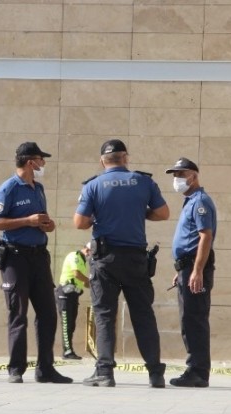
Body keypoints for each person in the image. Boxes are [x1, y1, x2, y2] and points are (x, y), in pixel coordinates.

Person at [74, 139, 170, 388]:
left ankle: (104, 372)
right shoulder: (144, 182)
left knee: (105, 315)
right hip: (136, 258)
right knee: (143, 315)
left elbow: (80, 223)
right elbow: (163, 213)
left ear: (102, 161)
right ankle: (155, 373)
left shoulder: (93, 186)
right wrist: (139, 212)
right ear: (125, 158)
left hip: (105, 259)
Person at [0, 141, 72, 385]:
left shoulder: (38, 188)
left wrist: (48, 224)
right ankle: (16, 368)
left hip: (38, 256)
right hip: (15, 257)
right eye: (40, 159)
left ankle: (46, 369)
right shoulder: (8, 188)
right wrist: (27, 220)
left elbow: (42, 220)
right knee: (18, 312)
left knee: (48, 312)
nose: (43, 164)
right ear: (30, 162)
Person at [167, 157, 217, 388]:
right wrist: (183, 270)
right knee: (188, 318)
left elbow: (205, 237)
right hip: (187, 267)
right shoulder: (189, 202)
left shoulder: (200, 202)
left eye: (181, 174)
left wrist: (196, 270)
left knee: (194, 318)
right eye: (175, 175)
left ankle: (197, 371)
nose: (177, 179)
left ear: (193, 176)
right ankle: (195, 368)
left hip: (195, 267)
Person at [56, 242, 91, 360]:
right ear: (87, 249)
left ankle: (69, 350)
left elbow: (83, 282)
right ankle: (67, 351)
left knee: (71, 324)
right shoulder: (75, 256)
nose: (90, 255)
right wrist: (89, 281)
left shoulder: (83, 261)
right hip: (65, 294)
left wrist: (92, 284)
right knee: (66, 324)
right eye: (90, 252)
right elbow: (76, 274)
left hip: (73, 295)